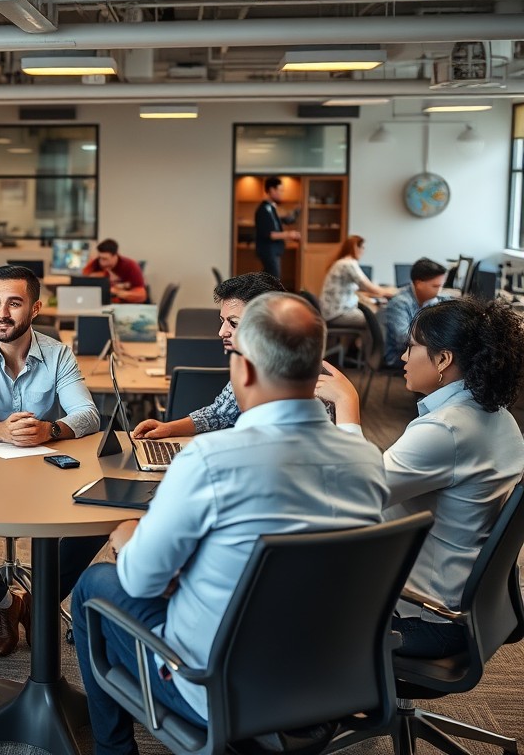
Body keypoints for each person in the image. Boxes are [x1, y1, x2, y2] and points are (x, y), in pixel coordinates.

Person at [72, 293, 387, 754]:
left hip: (218, 687)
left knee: (95, 583)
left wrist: (130, 536)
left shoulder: (211, 460)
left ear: (246, 370)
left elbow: (140, 581)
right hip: (330, 675)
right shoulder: (365, 457)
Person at [316, 298, 524, 658]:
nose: (403, 358)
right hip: (469, 606)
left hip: (426, 617)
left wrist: (348, 405)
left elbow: (357, 492)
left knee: (290, 598)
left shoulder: (447, 429)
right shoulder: (498, 416)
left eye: (412, 347)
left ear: (443, 359)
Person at [0, 265, 103, 656]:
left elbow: (88, 413)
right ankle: (7, 605)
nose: (2, 313)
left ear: (35, 308)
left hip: (44, 474)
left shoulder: (58, 353)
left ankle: (41, 600)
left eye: (14, 303)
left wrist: (51, 430)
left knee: (97, 518)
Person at [132, 271, 285, 439]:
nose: (222, 332)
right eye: (222, 321)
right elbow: (219, 413)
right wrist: (168, 428)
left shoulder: (298, 377)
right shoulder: (249, 362)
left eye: (234, 323)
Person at [383, 257, 448, 366]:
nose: (439, 291)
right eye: (435, 286)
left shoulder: (432, 300)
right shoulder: (399, 303)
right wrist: (438, 336)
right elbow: (403, 339)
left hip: (422, 351)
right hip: (399, 355)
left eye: (441, 286)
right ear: (418, 284)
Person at [319, 235, 395, 326]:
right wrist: (392, 293)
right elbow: (368, 287)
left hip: (332, 311)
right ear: (355, 248)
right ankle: (373, 341)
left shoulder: (342, 262)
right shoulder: (348, 264)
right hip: (337, 314)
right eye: (362, 247)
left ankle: (356, 340)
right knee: (375, 319)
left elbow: (361, 288)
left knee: (371, 314)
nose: (363, 251)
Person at [254, 176, 301, 279]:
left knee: (268, 279)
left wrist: (296, 212)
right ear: (271, 190)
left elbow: (282, 221)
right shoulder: (263, 210)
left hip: (273, 250)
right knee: (274, 280)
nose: (282, 194)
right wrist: (289, 234)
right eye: (280, 190)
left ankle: (257, 294)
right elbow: (270, 234)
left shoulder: (271, 208)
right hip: (268, 251)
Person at [81, 238, 147, 303]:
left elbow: (142, 296)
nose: (101, 262)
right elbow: (83, 284)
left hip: (124, 305)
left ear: (115, 256)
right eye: (99, 258)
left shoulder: (130, 266)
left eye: (105, 259)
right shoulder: (95, 264)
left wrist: (117, 292)